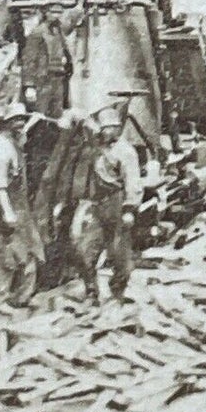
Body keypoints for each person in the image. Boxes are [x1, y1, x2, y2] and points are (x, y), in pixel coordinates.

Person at [71, 104, 143, 303]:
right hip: (96, 204)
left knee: (120, 254)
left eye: (109, 128)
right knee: (83, 249)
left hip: (117, 202)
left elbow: (133, 182)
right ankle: (91, 290)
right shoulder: (97, 145)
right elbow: (86, 125)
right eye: (103, 128)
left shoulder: (126, 152)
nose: (105, 132)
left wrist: (130, 208)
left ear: (117, 129)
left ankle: (117, 292)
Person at [0, 104, 44, 313]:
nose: (20, 123)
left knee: (30, 249)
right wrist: (8, 212)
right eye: (16, 120)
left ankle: (23, 296)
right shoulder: (0, 149)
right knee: (4, 254)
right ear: (6, 123)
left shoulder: (13, 141)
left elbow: (22, 137)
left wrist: (32, 123)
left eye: (21, 119)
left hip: (19, 205)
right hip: (6, 205)